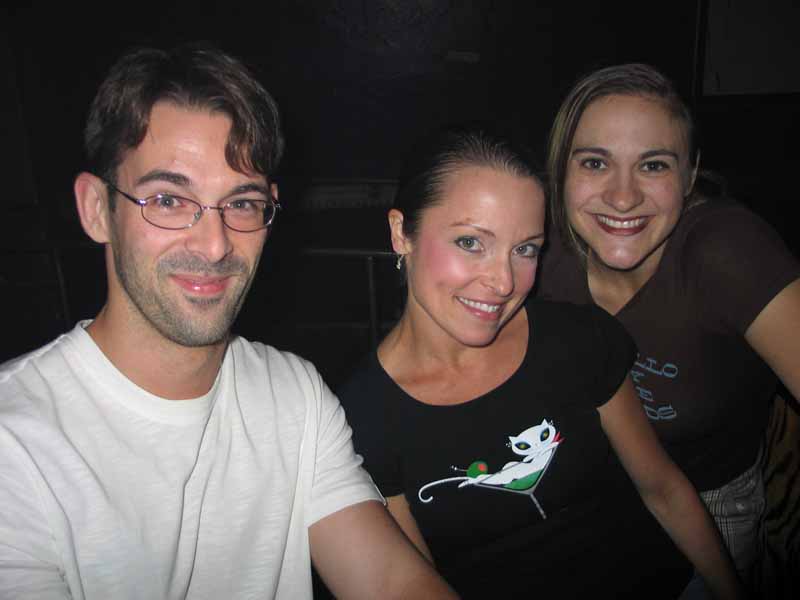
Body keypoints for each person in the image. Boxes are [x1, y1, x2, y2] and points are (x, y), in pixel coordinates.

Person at [0, 43, 457, 600]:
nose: (215, 245)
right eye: (168, 200)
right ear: (97, 209)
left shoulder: (294, 394)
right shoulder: (15, 443)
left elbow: (389, 581)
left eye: (241, 204)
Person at [338, 127, 745, 599]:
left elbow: (663, 489)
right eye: (470, 242)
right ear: (400, 233)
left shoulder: (578, 340)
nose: (503, 281)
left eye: (525, 249)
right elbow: (413, 581)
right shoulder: (359, 418)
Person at [537, 63, 800, 594]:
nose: (623, 197)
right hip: (583, 495)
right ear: (560, 171)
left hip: (711, 502)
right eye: (595, 163)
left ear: (690, 174)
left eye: (653, 165)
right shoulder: (536, 253)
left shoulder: (727, 253)